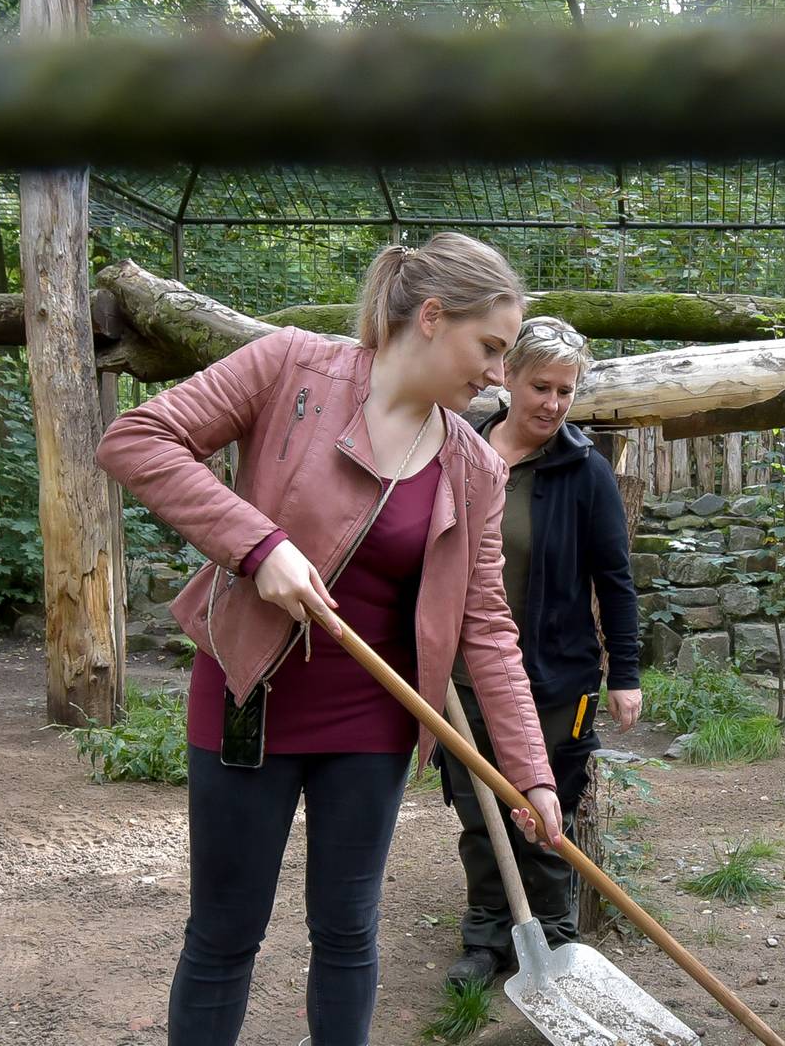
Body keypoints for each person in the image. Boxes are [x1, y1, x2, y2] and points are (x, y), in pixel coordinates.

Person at [95, 232, 569, 1046]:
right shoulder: (290, 367)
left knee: (347, 932)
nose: (498, 374)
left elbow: (486, 627)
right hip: (248, 696)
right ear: (430, 317)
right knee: (224, 933)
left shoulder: (475, 467)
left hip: (373, 722)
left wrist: (531, 773)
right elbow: (136, 440)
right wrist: (257, 545)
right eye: (490, 348)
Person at [438, 315, 643, 989]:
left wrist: (625, 673)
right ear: (508, 379)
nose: (553, 403)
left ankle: (554, 937)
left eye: (565, 390)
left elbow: (614, 578)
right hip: (463, 676)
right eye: (540, 387)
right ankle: (486, 936)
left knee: (549, 813)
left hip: (558, 678)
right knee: (480, 813)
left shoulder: (585, 471)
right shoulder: (458, 451)